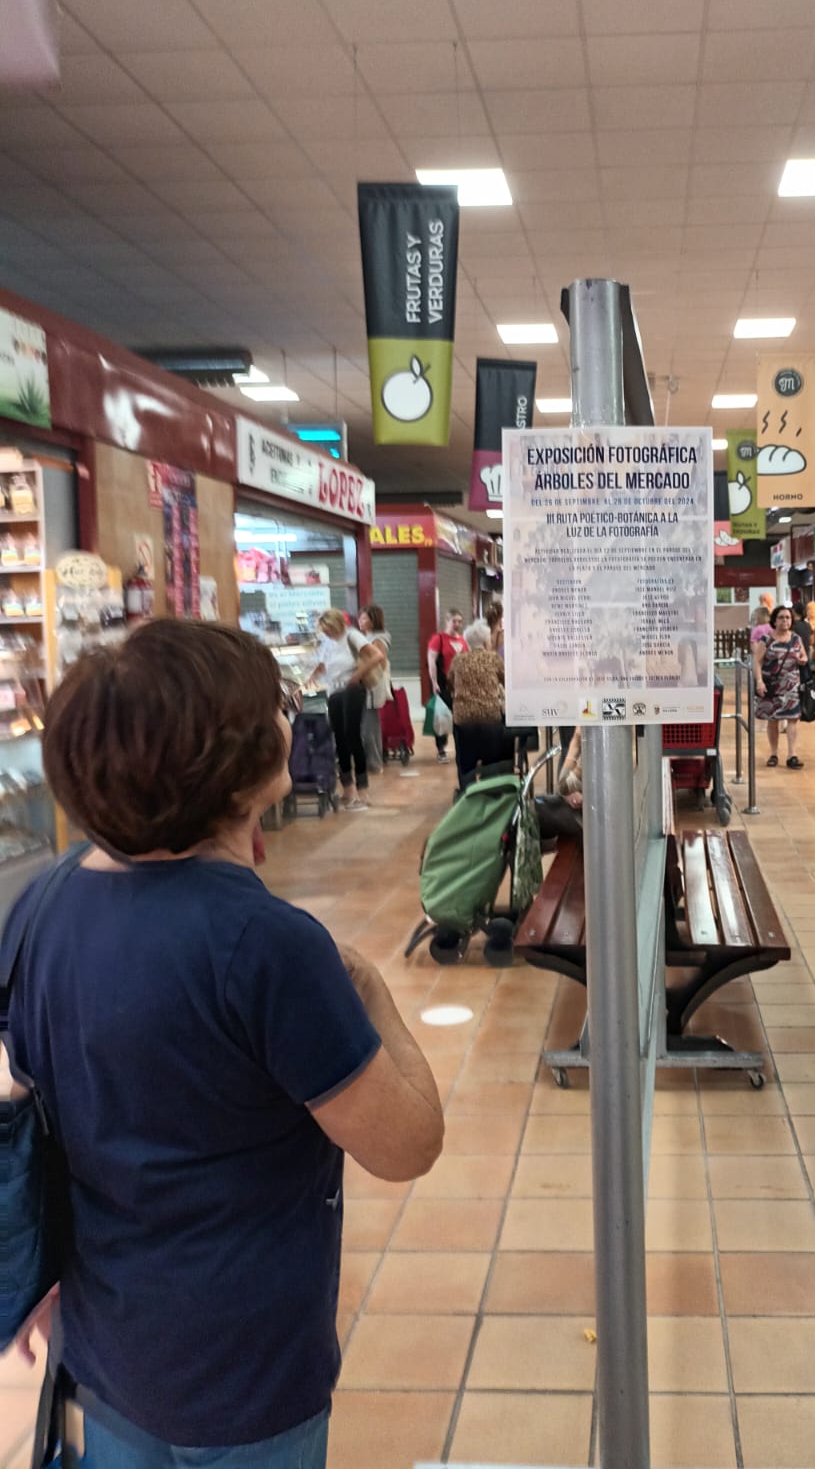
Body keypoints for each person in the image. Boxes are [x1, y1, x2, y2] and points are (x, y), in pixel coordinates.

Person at [9, 620, 443, 1468]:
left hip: (105, 1341)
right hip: (244, 1365)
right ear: (233, 764)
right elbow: (407, 1142)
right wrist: (369, 992)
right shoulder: (267, 950)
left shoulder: (41, 909)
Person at [307, 610, 383, 812]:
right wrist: (310, 677)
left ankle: (363, 788)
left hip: (352, 690)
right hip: (333, 692)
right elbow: (322, 666)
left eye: (330, 629)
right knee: (339, 739)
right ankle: (348, 788)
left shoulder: (352, 635)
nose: (328, 634)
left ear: (337, 624)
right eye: (325, 631)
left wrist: (356, 676)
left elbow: (377, 656)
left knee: (352, 735)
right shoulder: (327, 643)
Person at [447, 618, 508, 787]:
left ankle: (468, 792)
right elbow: (506, 682)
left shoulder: (458, 661)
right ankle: (488, 791)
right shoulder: (494, 659)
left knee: (465, 763)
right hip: (490, 718)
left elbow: (450, 682)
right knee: (491, 761)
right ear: (485, 640)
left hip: (464, 720)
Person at [753, 604, 807, 770]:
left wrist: (802, 659)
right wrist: (759, 681)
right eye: (781, 618)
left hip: (791, 686)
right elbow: (757, 661)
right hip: (772, 685)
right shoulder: (767, 640)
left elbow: (803, 654)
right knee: (773, 720)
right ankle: (774, 753)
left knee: (792, 719)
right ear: (774, 621)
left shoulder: (796, 638)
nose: (785, 621)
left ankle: (792, 755)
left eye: (788, 618)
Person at [426, 610, 466, 766]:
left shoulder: (462, 641)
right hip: (443, 683)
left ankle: (460, 747)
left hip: (459, 684)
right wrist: (434, 682)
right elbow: (431, 661)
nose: (457, 624)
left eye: (459, 621)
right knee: (442, 717)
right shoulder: (439, 639)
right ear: (447, 621)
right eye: (454, 621)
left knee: (460, 717)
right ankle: (441, 749)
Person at [357, 604, 392, 776]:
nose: (360, 621)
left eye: (364, 618)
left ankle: (374, 763)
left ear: (372, 620)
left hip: (372, 686)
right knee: (369, 725)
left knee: (370, 727)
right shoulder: (368, 637)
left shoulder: (377, 639)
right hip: (370, 685)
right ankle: (373, 761)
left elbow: (381, 662)